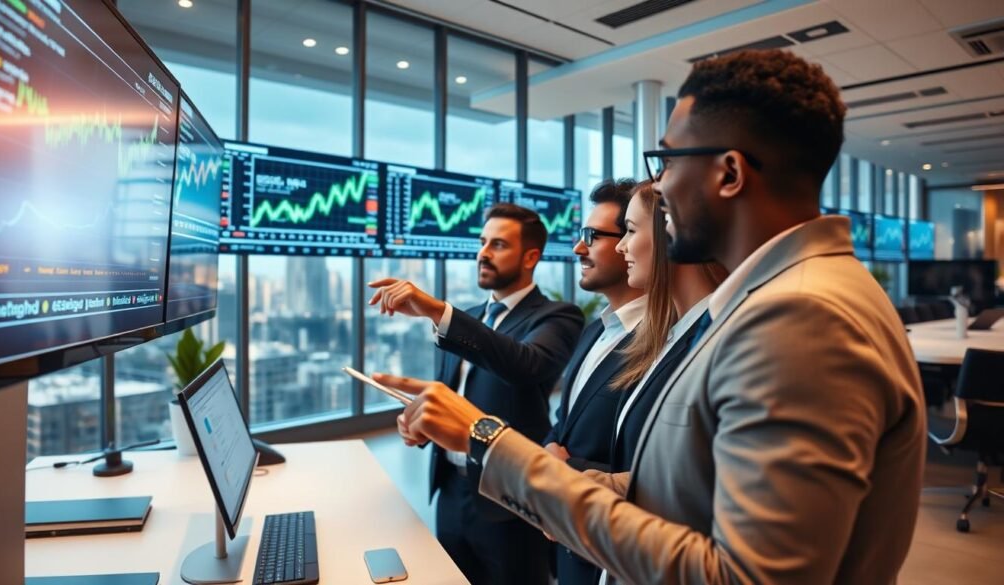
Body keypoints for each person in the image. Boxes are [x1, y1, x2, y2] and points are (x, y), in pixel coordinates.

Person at [378, 49, 926, 585]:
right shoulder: (782, 298)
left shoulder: (800, 316)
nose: (658, 187)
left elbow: (742, 575)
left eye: (665, 161)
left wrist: (487, 441)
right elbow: (690, 500)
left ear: (729, 173)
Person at [368, 202, 583, 585]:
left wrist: (439, 311)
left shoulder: (556, 317)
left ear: (531, 256)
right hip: (451, 491)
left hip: (508, 502)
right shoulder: (467, 318)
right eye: (483, 242)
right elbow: (450, 397)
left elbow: (523, 364)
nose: (483, 252)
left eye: (498, 244)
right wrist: (419, 424)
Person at [542, 179, 645, 585]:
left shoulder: (661, 343)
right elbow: (564, 421)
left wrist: (567, 469)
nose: (578, 249)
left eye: (592, 236)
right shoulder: (595, 331)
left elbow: (653, 466)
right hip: (568, 544)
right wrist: (549, 450)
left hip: (611, 553)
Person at [609, 181, 726, 473]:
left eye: (631, 230)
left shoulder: (711, 338)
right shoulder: (667, 335)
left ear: (671, 233)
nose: (620, 245)